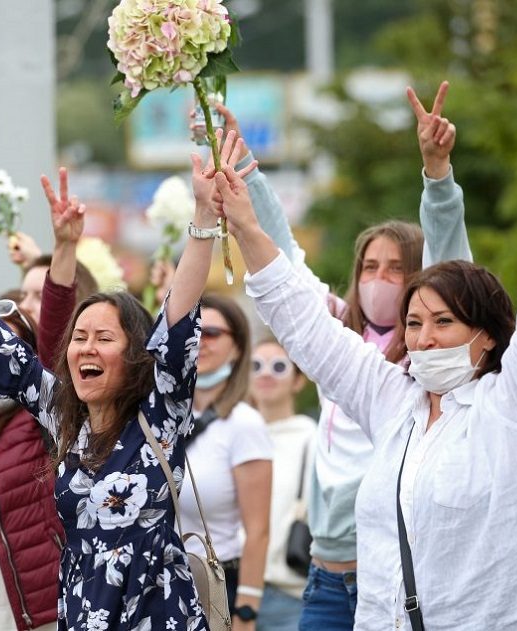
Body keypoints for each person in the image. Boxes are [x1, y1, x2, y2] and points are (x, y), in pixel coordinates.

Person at [215, 80, 517, 630]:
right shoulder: (394, 400)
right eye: (413, 324)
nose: (424, 339)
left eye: (443, 322)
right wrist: (244, 222)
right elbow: (302, 318)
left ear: (486, 334)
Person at [0, 131, 253, 630]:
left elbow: (180, 312)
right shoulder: (60, 414)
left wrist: (204, 220)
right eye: (79, 338)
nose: (86, 349)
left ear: (137, 356)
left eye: (104, 338)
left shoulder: (160, 410)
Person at [214, 84, 472, 630]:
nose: (380, 280)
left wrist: (438, 176)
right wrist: (248, 172)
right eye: (369, 267)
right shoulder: (335, 331)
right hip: (325, 576)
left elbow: (454, 262)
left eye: (396, 268)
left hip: (390, 574)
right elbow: (282, 258)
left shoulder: (424, 360)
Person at [181, 293, 273, 630]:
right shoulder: (163, 417)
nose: (200, 342)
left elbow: (258, 531)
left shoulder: (245, 424)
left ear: (237, 345)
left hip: (216, 587)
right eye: (193, 331)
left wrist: (246, 613)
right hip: (160, 582)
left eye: (213, 334)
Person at [248, 337, 316, 631]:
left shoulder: (311, 438)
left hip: (288, 594)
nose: (265, 374)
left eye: (278, 366)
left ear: (298, 380)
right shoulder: (234, 434)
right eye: (256, 366)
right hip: (231, 587)